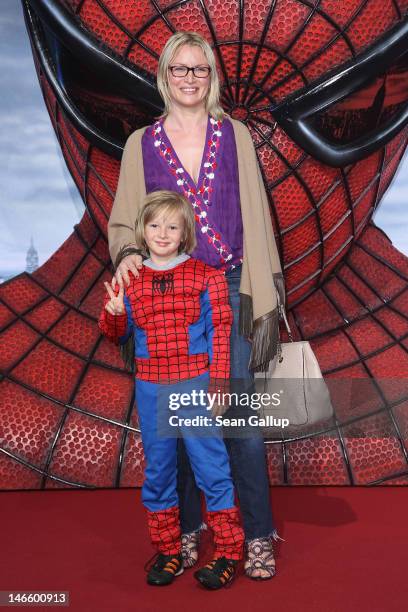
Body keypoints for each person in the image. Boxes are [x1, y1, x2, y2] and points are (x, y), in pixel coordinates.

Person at [108, 31, 285, 580]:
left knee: (235, 420)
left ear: (212, 77)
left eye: (200, 69)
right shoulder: (141, 142)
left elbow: (255, 214)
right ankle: (183, 534)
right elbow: (123, 222)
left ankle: (256, 535)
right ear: (165, 76)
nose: (190, 78)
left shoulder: (235, 136)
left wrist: (264, 293)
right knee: (172, 422)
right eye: (179, 69)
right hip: (163, 298)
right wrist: (129, 256)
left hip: (228, 288)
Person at [100, 190, 245, 589]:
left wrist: (218, 386)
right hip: (151, 390)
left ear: (184, 233)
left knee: (211, 469)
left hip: (196, 385)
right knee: (159, 472)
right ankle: (169, 551)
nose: (162, 233)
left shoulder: (207, 277)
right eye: (154, 225)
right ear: (143, 232)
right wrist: (114, 316)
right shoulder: (129, 279)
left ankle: (230, 553)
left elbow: (220, 334)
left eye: (172, 225)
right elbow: (117, 334)